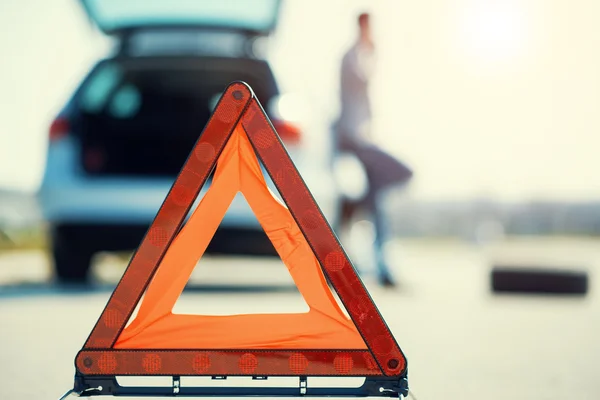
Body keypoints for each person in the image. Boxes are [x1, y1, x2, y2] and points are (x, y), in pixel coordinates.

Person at [334, 12, 413, 288]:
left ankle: (360, 209)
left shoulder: (362, 55)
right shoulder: (351, 56)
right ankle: (357, 207)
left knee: (376, 202)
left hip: (364, 138)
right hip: (353, 139)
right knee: (402, 173)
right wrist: (369, 47)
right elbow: (359, 76)